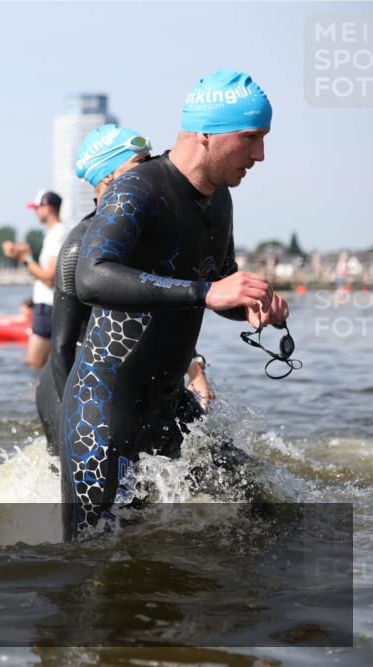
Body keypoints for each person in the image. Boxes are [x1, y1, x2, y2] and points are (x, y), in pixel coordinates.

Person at [61, 70, 289, 538]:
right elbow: (91, 276)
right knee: (93, 561)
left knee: (271, 519)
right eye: (250, 138)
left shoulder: (218, 200)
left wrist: (246, 306)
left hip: (169, 408)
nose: (260, 155)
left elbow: (215, 281)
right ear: (206, 133)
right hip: (104, 411)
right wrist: (205, 293)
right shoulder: (136, 189)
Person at [34, 125, 216, 455]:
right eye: (140, 162)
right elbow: (61, 348)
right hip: (73, 383)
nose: (152, 169)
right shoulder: (79, 247)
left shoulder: (150, 234)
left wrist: (195, 368)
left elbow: (166, 311)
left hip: (137, 381)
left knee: (218, 458)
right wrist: (75, 423)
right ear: (108, 176)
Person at [3, 191, 67, 368]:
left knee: (34, 364)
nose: (35, 212)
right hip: (48, 306)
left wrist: (25, 258)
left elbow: (49, 278)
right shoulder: (55, 233)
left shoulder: (57, 234)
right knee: (46, 365)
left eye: (37, 208)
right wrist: (23, 257)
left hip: (48, 308)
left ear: (48, 208)